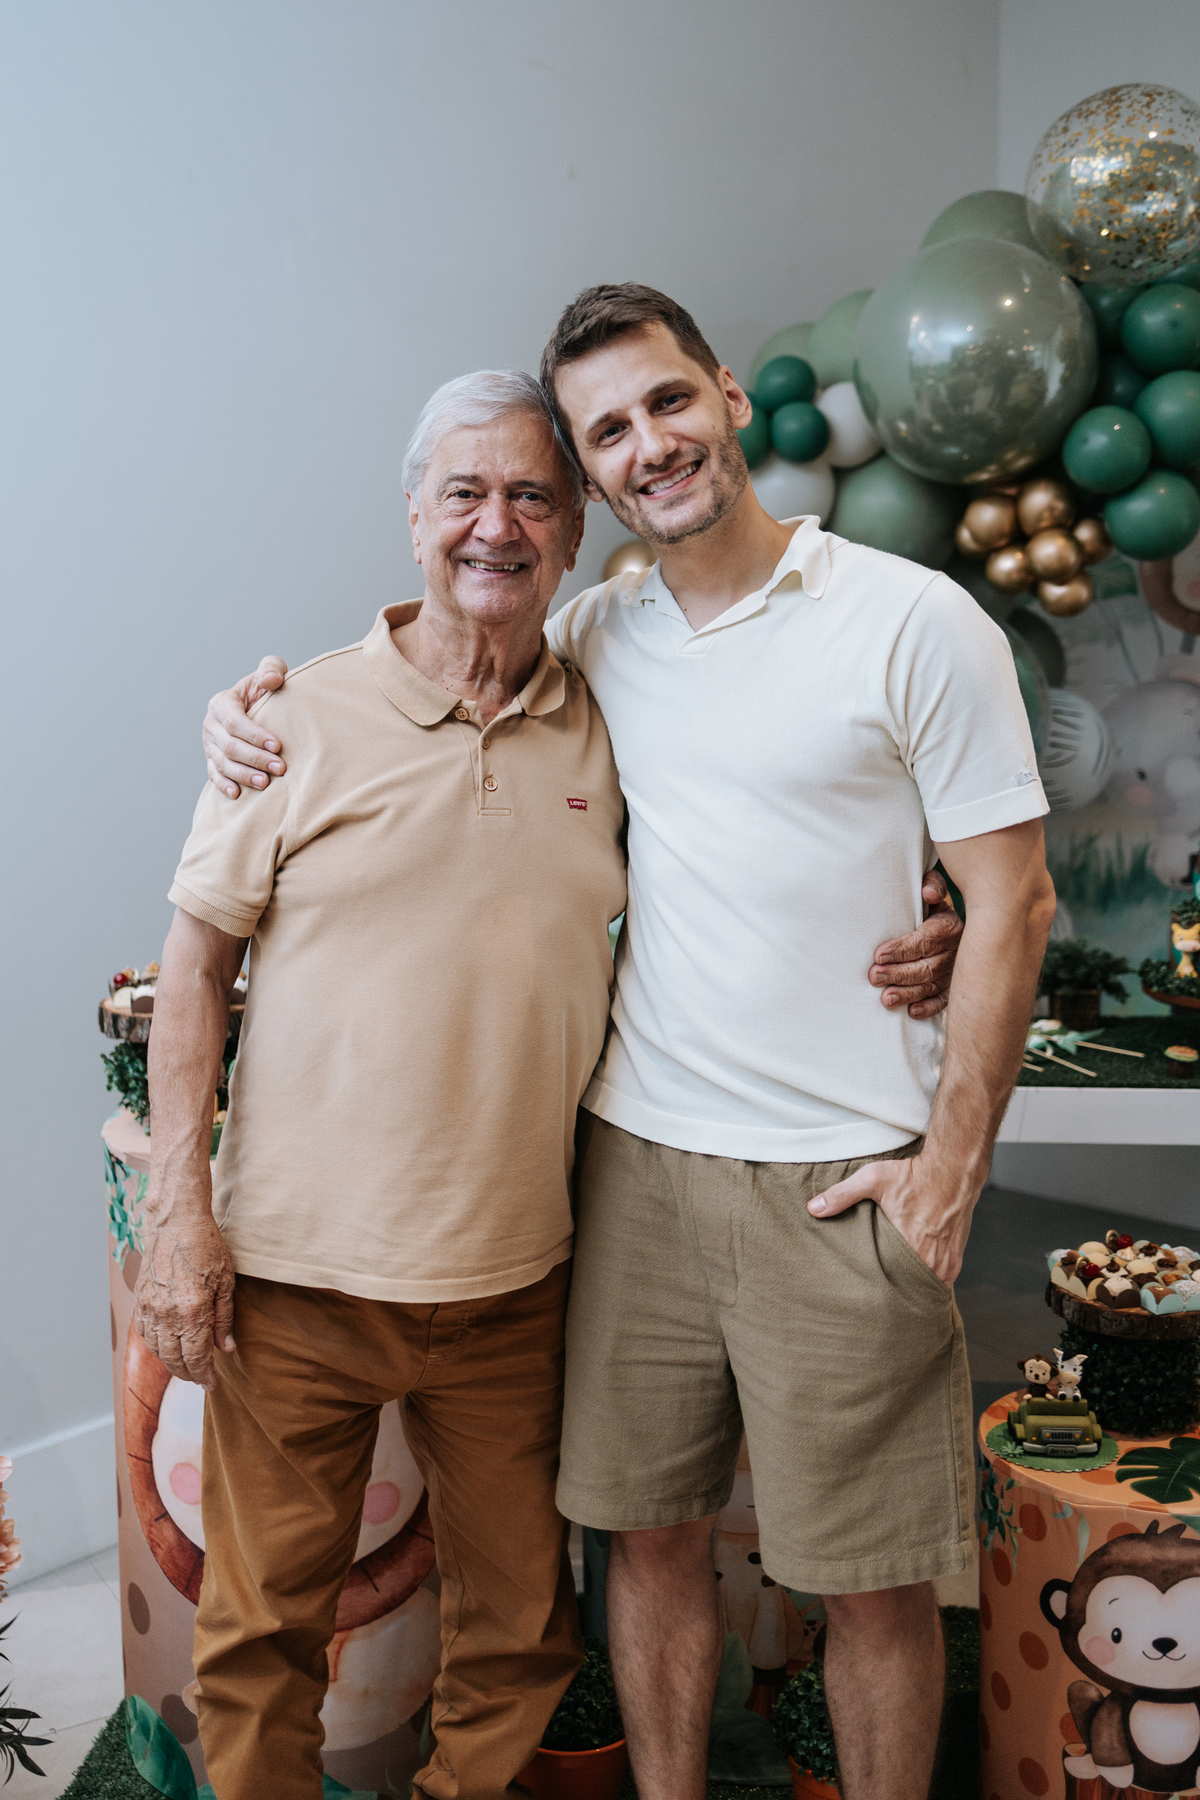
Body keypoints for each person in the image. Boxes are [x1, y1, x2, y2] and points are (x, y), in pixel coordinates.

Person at [202, 290, 1054, 1800]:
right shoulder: (594, 638)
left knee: (867, 1584)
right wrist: (244, 707)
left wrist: (951, 1169)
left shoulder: (913, 619)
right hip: (632, 1172)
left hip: (834, 1173)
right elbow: (422, 682)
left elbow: (1017, 900)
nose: (647, 444)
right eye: (607, 431)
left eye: (666, 402)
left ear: (727, 394)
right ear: (593, 480)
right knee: (644, 1540)